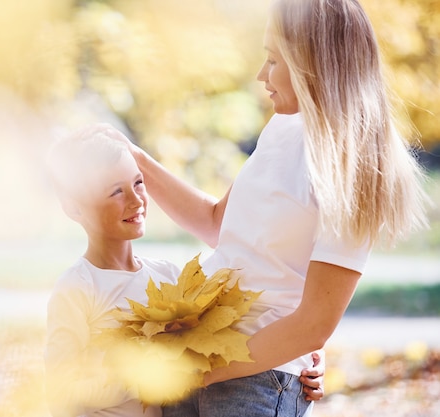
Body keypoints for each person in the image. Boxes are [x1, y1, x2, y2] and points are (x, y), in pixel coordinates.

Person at [106, 0, 429, 416]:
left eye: (274, 60)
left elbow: (313, 323)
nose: (262, 76)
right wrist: (135, 158)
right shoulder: (280, 129)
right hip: (200, 351)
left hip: (257, 382)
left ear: (314, 63)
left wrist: (197, 371)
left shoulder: (356, 167)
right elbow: (217, 224)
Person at [43, 124, 325, 417]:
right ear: (75, 209)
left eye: (138, 183)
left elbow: (229, 332)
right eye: (116, 191)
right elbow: (60, 388)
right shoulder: (77, 287)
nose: (136, 199)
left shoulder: (169, 278)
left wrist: (304, 361)